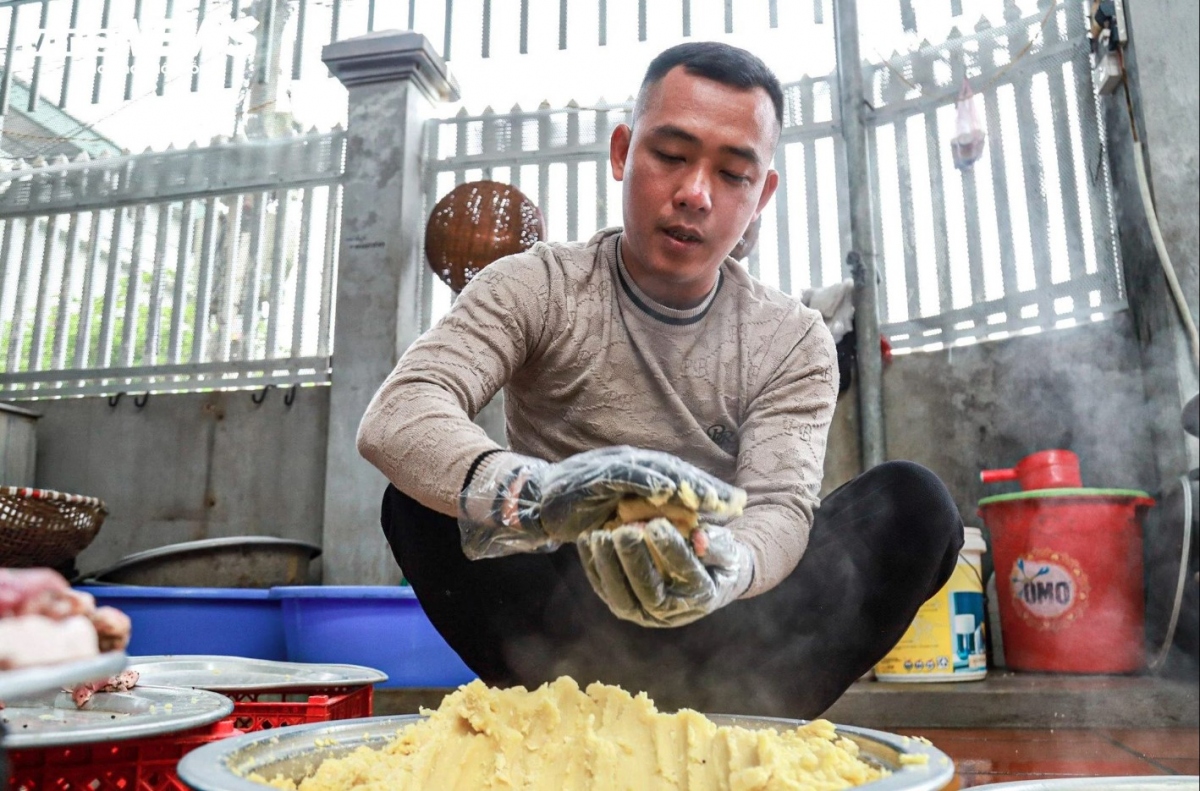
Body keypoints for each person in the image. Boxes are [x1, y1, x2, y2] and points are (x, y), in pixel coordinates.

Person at [358, 41, 963, 717]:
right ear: (622, 152)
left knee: (915, 504)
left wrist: (723, 565)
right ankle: (574, 715)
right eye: (671, 156)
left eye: (733, 174)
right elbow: (400, 413)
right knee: (420, 500)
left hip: (728, 628)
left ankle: (741, 720)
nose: (694, 194)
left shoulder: (792, 337)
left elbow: (779, 507)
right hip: (564, 618)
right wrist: (543, 494)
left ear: (761, 194)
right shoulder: (537, 285)